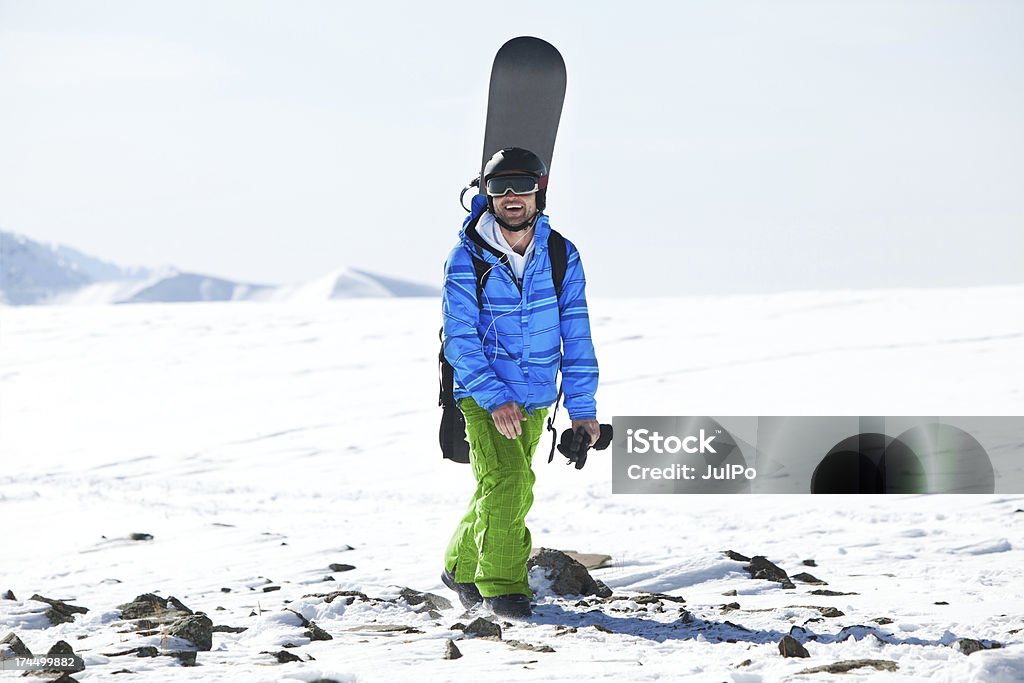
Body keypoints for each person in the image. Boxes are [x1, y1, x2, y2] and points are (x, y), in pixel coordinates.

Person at [440, 147, 600, 618]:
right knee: (510, 481)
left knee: (499, 485)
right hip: (483, 395)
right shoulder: (466, 256)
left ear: (539, 191)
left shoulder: (560, 254)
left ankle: (459, 564)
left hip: (535, 396)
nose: (512, 196)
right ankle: (503, 585)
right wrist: (493, 398)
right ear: (485, 195)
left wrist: (583, 409)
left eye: (522, 185)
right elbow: (460, 337)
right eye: (499, 186)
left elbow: (577, 331)